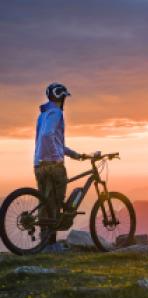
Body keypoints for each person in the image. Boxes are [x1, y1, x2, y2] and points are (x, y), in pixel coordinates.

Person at [34, 82, 84, 246]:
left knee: (46, 202)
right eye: (64, 97)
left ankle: (45, 243)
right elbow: (48, 135)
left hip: (39, 164)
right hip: (53, 165)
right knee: (55, 203)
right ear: (60, 97)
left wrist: (73, 154)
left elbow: (53, 141)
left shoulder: (43, 115)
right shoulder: (56, 113)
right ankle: (50, 243)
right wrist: (57, 158)